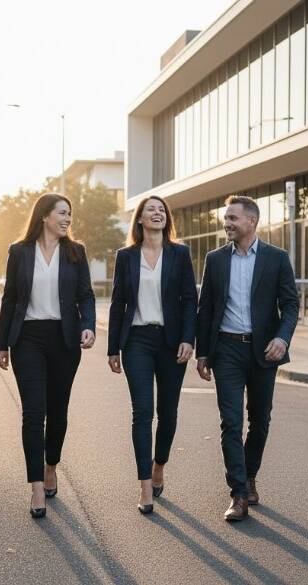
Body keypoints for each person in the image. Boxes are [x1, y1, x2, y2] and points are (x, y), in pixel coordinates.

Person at [195, 195, 298, 522]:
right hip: (225, 349)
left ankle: (250, 475)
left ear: (251, 221)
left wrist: (282, 338)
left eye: (232, 218)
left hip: (263, 351)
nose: (227, 223)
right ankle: (238, 493)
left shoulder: (277, 258)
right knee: (231, 422)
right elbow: (205, 308)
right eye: (226, 218)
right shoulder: (215, 259)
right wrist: (203, 352)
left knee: (260, 420)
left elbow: (291, 305)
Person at [0, 193, 96, 518]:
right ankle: (37, 486)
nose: (68, 219)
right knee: (32, 413)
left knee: (58, 411)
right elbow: (10, 299)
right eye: (62, 213)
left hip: (64, 339)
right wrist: (1, 344)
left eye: (70, 214)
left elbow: (86, 295)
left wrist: (89, 326)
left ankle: (51, 463)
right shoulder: (19, 251)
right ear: (45, 216)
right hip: (27, 339)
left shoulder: (75, 252)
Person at [107, 195, 196, 515]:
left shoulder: (180, 253)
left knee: (168, 413)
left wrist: (189, 338)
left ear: (166, 218)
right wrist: (112, 347)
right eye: (150, 211)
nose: (157, 214)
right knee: (142, 412)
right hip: (137, 342)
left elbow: (190, 300)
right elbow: (118, 303)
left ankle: (159, 465)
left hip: (172, 342)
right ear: (140, 220)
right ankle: (145, 484)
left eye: (161, 210)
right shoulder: (126, 256)